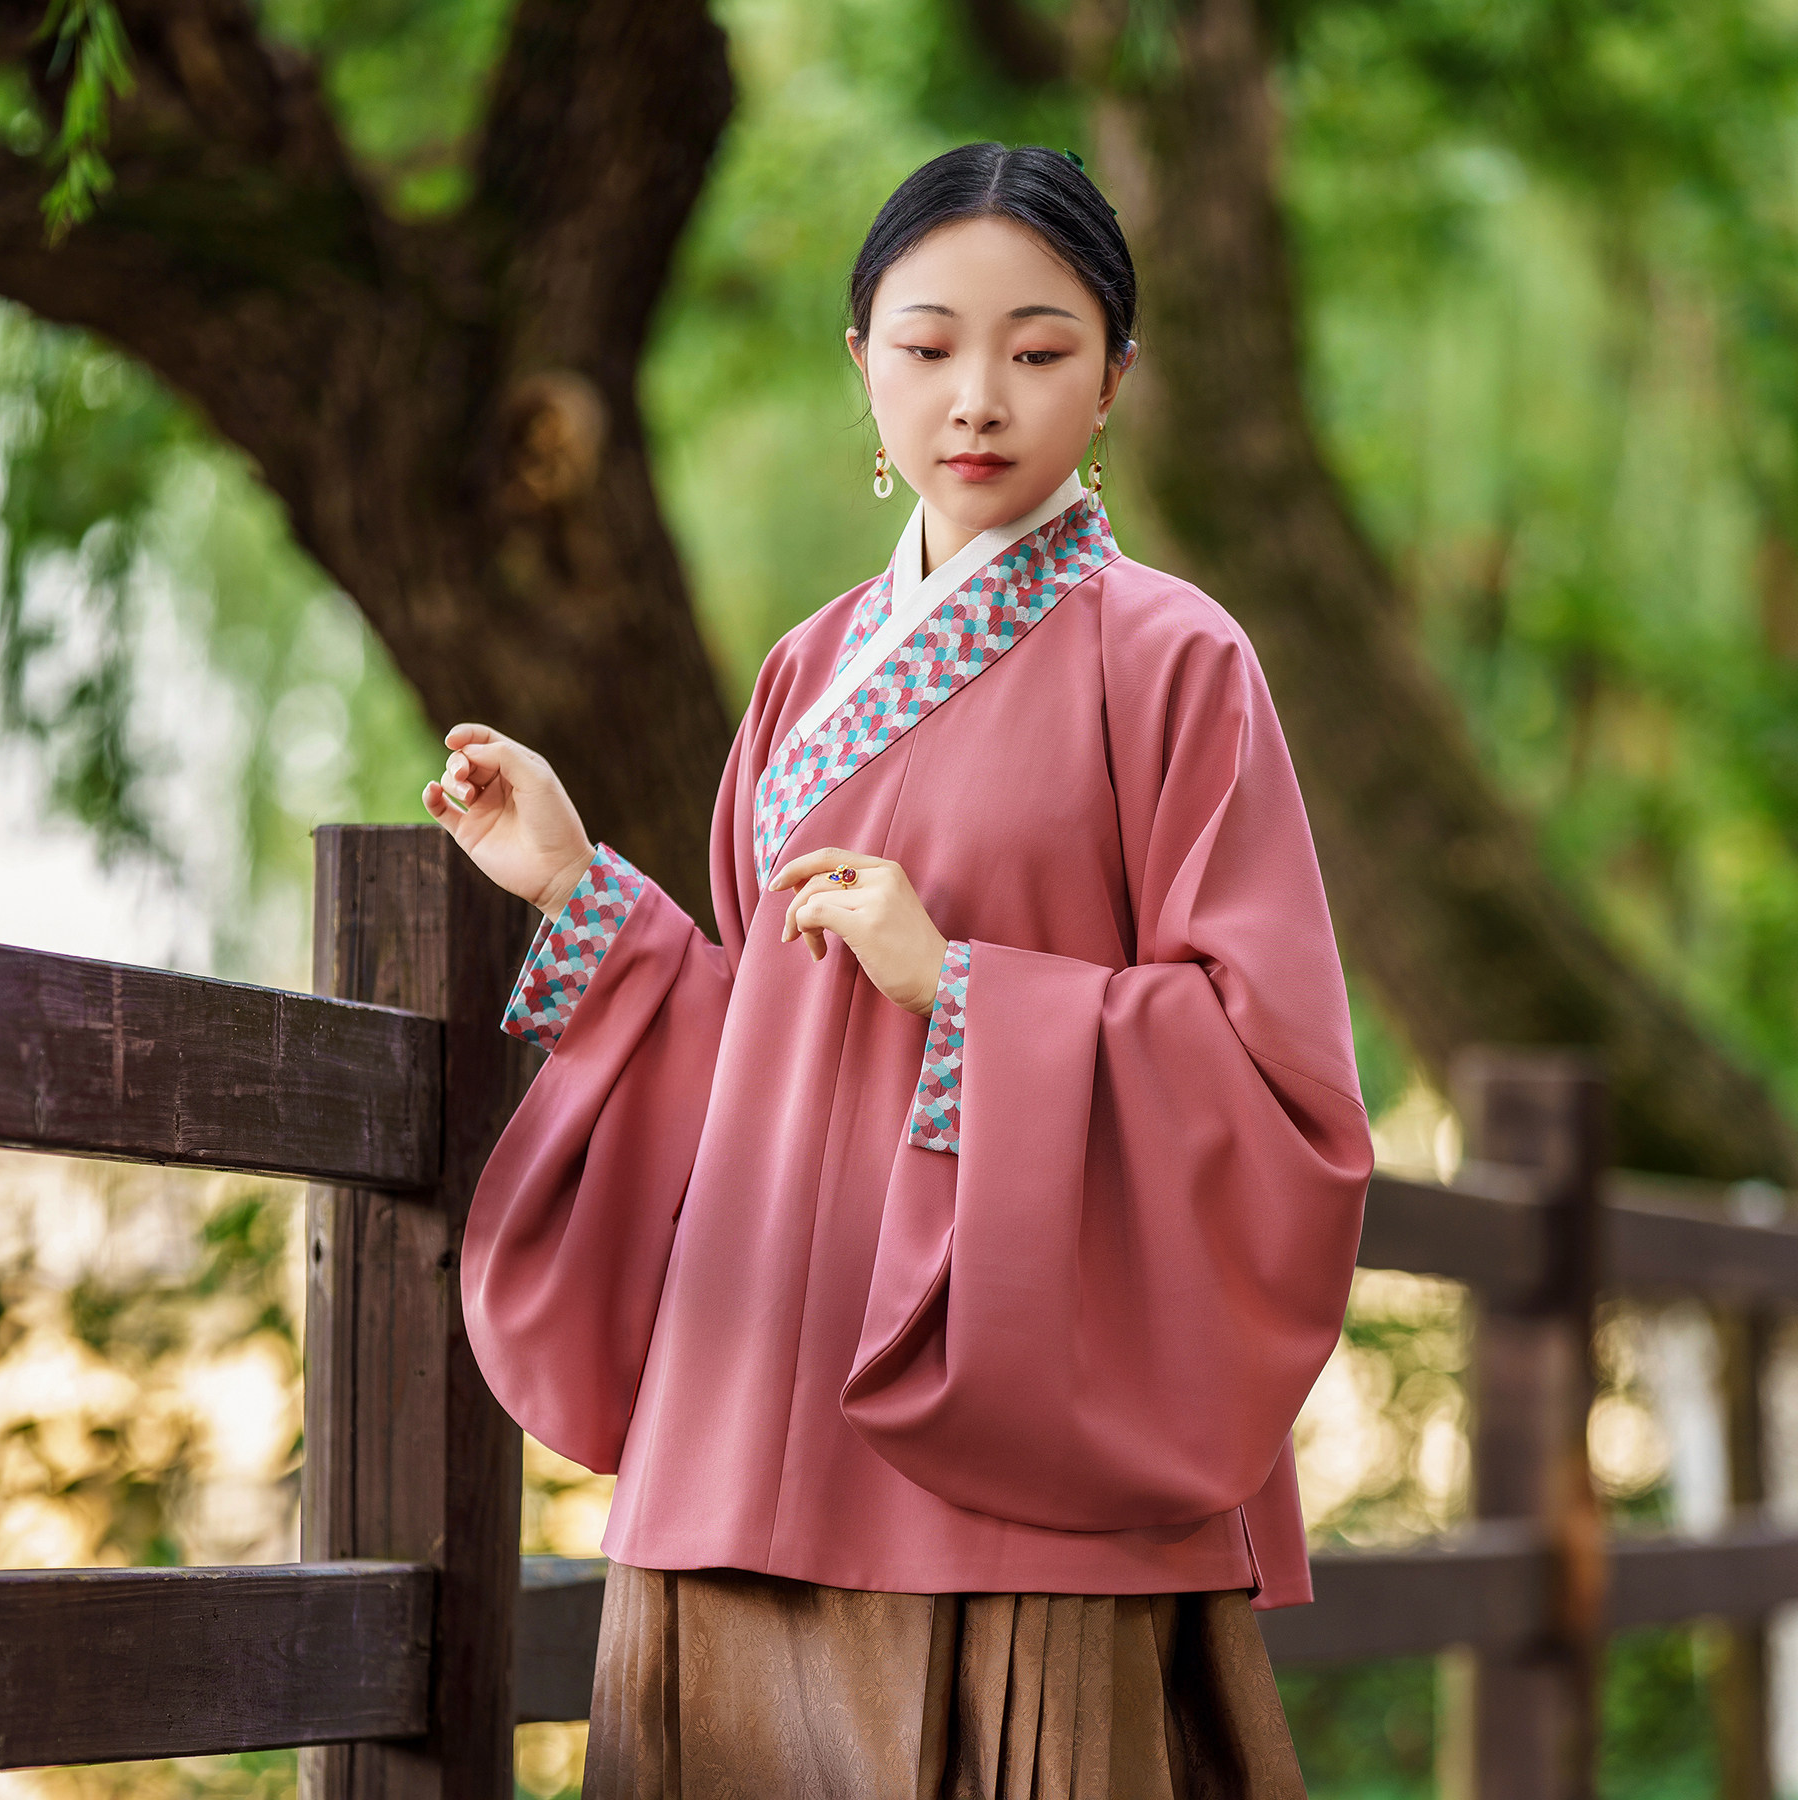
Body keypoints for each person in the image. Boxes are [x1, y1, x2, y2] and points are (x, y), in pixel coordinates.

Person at [423, 142, 1371, 1800]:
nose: (978, 397)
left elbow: (1275, 1085)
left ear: (1116, 380)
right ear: (862, 364)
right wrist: (578, 888)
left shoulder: (1173, 659)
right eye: (927, 347)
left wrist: (963, 987)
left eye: (1041, 347)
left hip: (1011, 1452)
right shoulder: (804, 672)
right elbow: (754, 1052)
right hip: (745, 1420)